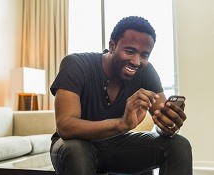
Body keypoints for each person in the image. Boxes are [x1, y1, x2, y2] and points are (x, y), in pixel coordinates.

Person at [49, 16, 192, 175]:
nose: (136, 62)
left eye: (144, 55)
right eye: (130, 51)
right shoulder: (76, 64)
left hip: (115, 147)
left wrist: (167, 126)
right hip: (72, 146)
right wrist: (121, 124)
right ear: (112, 46)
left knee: (179, 144)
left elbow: (161, 121)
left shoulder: (146, 72)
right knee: (76, 149)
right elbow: (65, 126)